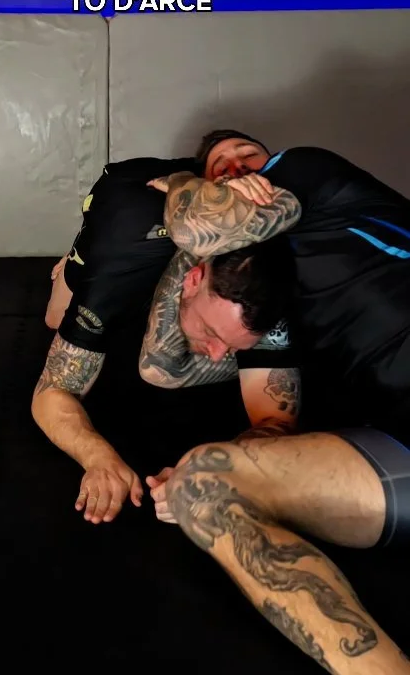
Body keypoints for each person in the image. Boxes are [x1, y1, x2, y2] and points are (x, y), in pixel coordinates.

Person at [146, 130, 410, 674]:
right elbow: (162, 367)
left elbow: (195, 222)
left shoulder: (311, 174)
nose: (236, 168)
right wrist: (227, 476)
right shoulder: (265, 294)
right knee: (203, 483)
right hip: (400, 443)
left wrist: (183, 180)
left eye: (247, 155)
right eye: (219, 166)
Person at [31, 155, 299, 525]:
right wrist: (97, 457)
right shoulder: (122, 262)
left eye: (234, 346)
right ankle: (77, 255)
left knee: (159, 368)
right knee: (55, 315)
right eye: (211, 332)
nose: (218, 356)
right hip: (125, 201)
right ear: (192, 281)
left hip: (213, 220)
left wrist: (212, 471)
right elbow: (53, 389)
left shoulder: (268, 285)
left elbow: (275, 419)